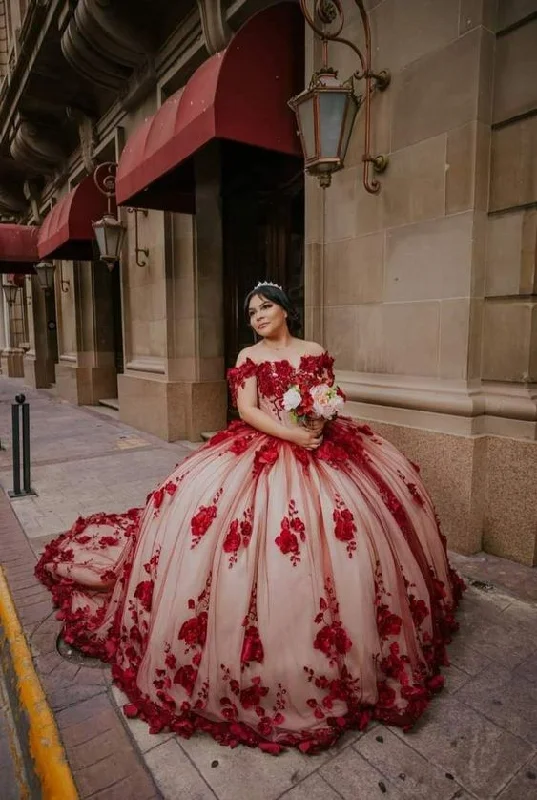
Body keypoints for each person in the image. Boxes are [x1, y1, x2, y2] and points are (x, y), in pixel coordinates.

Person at [36, 282, 464, 755]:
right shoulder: (249, 356)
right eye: (251, 310)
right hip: (268, 443)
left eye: (265, 306)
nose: (258, 315)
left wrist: (318, 423)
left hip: (322, 443)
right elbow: (245, 409)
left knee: (353, 529)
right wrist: (291, 434)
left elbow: (326, 395)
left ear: (285, 310)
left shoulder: (314, 349)